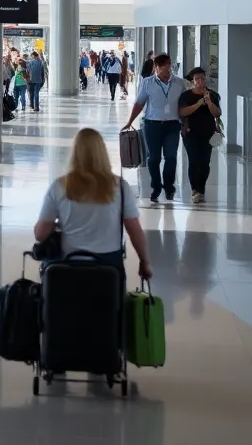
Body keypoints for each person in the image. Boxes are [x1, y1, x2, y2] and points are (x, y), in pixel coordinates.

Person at [35, 128, 152, 281]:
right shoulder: (120, 187)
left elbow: (40, 234)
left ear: (74, 153)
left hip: (67, 268)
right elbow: (134, 230)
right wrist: (144, 261)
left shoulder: (59, 186)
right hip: (108, 268)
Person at [123, 53, 188, 203]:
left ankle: (169, 187)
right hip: (152, 125)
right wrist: (130, 121)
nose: (166, 68)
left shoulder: (179, 83)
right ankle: (156, 186)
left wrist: (186, 123)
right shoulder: (147, 83)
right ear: (156, 68)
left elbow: (183, 105)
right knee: (153, 159)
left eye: (168, 65)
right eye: (162, 66)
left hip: (172, 125)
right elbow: (139, 103)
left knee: (171, 158)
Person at [178, 67, 221, 204]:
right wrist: (197, 104)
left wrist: (208, 102)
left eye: (203, 78)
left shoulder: (212, 95)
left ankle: (201, 189)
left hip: (207, 133)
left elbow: (217, 113)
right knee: (194, 161)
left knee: (205, 163)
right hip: (190, 133)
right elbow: (182, 112)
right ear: (192, 81)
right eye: (197, 79)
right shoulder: (186, 96)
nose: (201, 81)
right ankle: (194, 190)